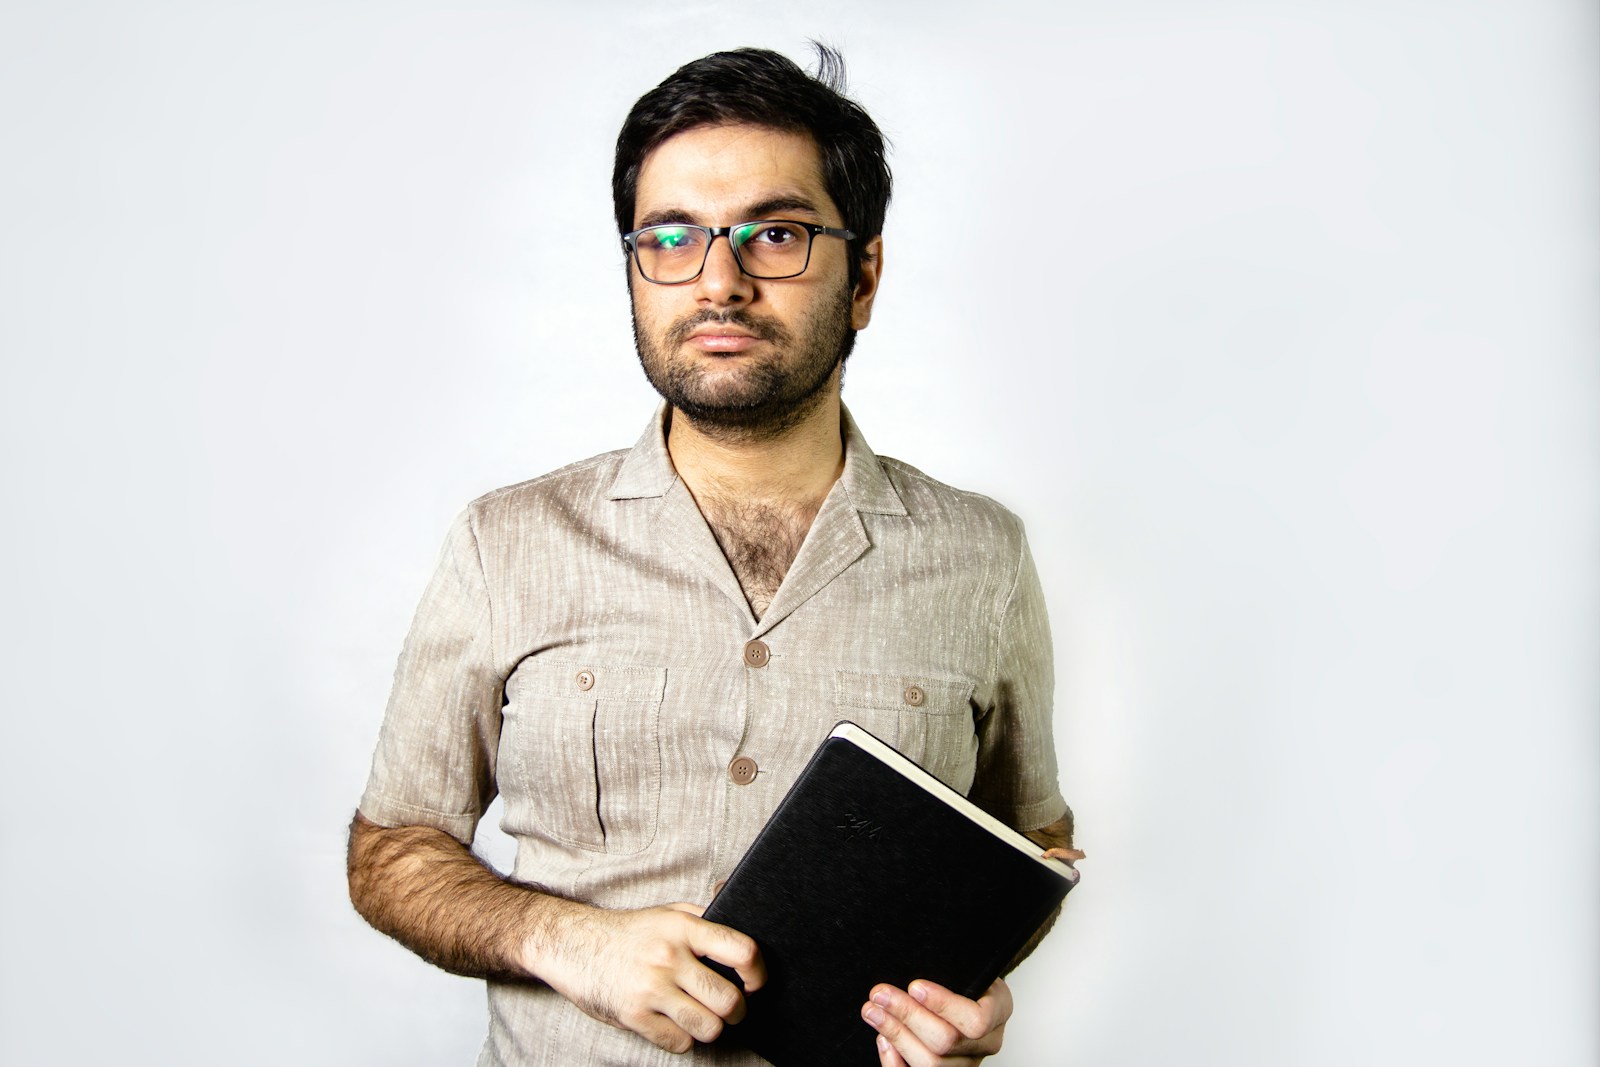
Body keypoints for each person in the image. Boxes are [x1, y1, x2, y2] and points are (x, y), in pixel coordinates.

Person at [347, 45, 1081, 1067]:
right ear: (635, 269)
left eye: (774, 234)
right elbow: (390, 851)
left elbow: (1029, 844)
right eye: (672, 237)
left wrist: (969, 989)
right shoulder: (504, 542)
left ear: (864, 274)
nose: (719, 280)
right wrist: (570, 941)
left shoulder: (982, 556)